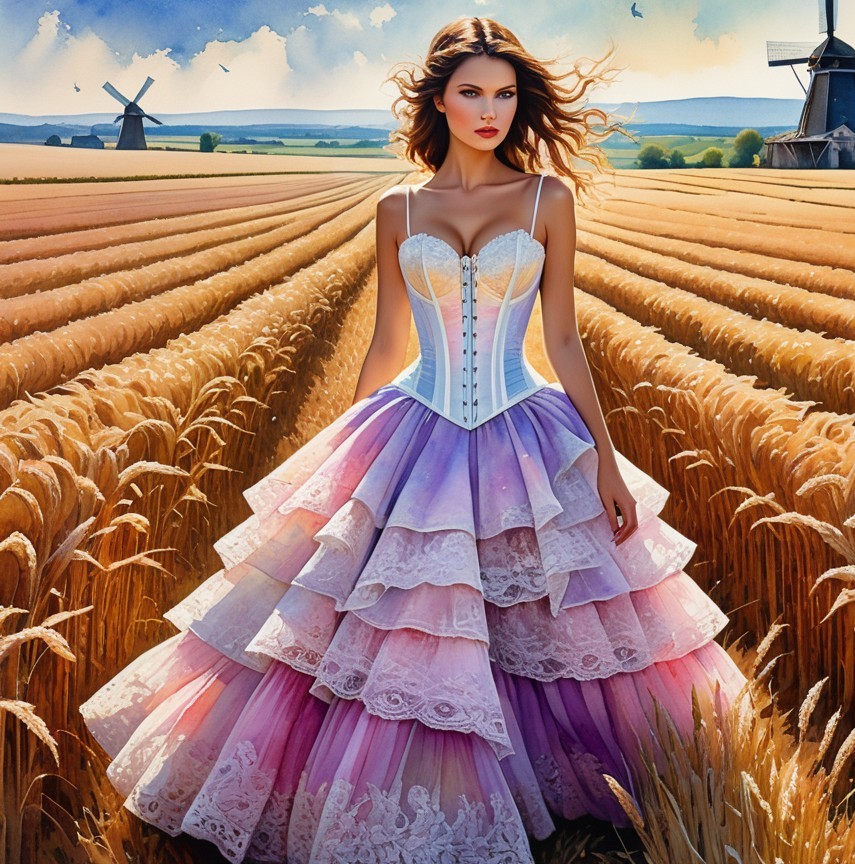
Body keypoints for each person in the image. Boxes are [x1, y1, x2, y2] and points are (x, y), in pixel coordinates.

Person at [79, 16, 748, 863]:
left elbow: (565, 340)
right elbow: (390, 341)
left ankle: (549, 783)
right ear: (439, 99)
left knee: (536, 625)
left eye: (504, 94)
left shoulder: (548, 199)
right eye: (472, 92)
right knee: (405, 629)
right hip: (414, 424)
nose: (490, 110)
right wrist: (343, 468)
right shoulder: (397, 209)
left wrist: (607, 464)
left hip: (522, 424)